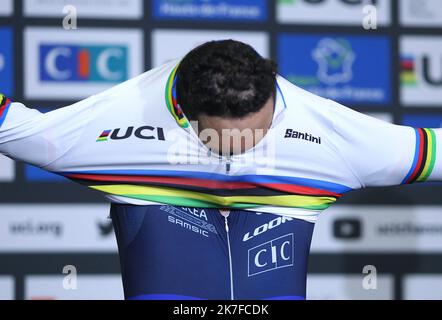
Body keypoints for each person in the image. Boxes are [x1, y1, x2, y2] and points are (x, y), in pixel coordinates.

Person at [0, 40, 441, 300]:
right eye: (227, 138)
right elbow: (13, 128)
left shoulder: (329, 131)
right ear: (188, 115)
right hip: (161, 207)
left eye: (260, 130)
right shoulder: (111, 123)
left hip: (279, 212)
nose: (245, 148)